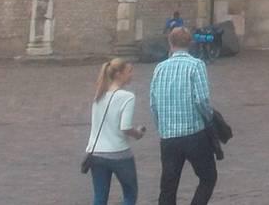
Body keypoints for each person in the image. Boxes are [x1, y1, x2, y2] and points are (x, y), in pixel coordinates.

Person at [150, 26, 216, 205]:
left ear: (170, 43)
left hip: (169, 136)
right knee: (208, 177)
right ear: (191, 43)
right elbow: (202, 100)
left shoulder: (160, 68)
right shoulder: (196, 65)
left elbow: (153, 104)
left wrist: (162, 128)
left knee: (168, 186)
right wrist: (210, 118)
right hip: (194, 133)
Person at [86, 57, 145, 205]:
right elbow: (125, 127)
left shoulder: (98, 95)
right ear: (119, 74)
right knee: (130, 194)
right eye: (129, 72)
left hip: (96, 152)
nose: (131, 75)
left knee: (100, 197)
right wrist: (137, 133)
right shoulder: (127, 97)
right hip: (119, 153)